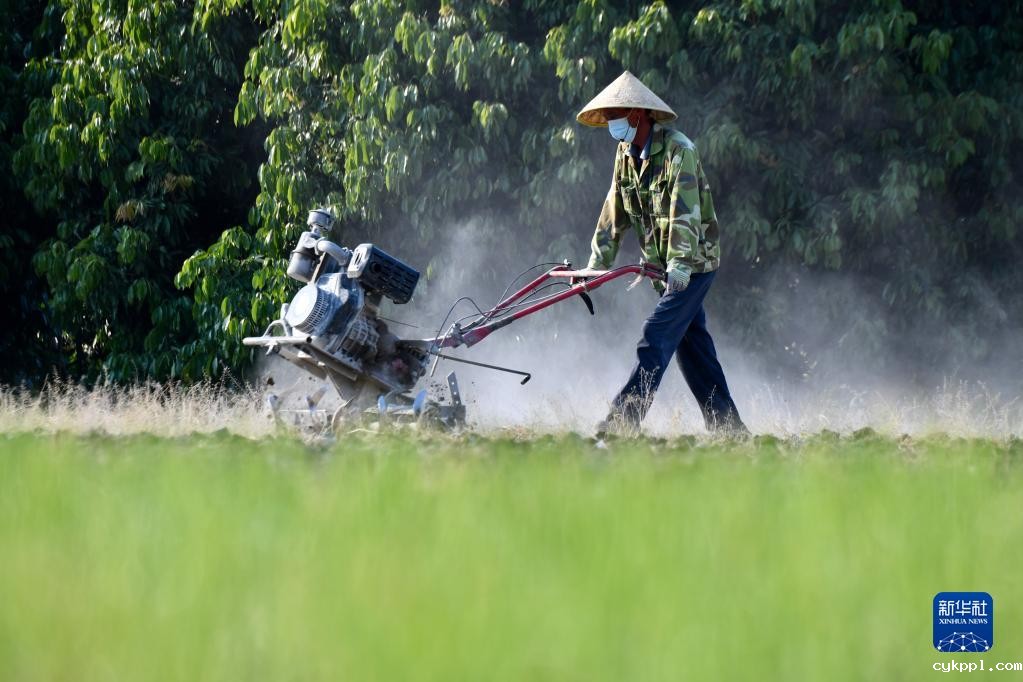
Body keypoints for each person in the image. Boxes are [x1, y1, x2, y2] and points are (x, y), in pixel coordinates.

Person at [576, 71, 748, 437]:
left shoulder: (679, 151)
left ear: (637, 114)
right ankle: (730, 430)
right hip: (663, 267)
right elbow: (614, 211)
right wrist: (596, 266)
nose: (611, 124)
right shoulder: (625, 154)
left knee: (656, 334)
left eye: (615, 115)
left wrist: (680, 264)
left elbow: (685, 212)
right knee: (694, 350)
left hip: (693, 263)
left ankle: (622, 422)